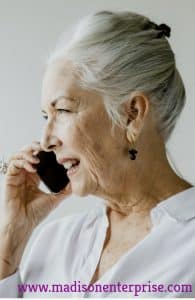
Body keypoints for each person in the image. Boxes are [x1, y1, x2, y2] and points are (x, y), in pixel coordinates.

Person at [0, 10, 195, 298]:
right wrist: (10, 241)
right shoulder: (53, 241)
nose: (46, 141)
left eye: (63, 110)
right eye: (46, 116)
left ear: (132, 114)